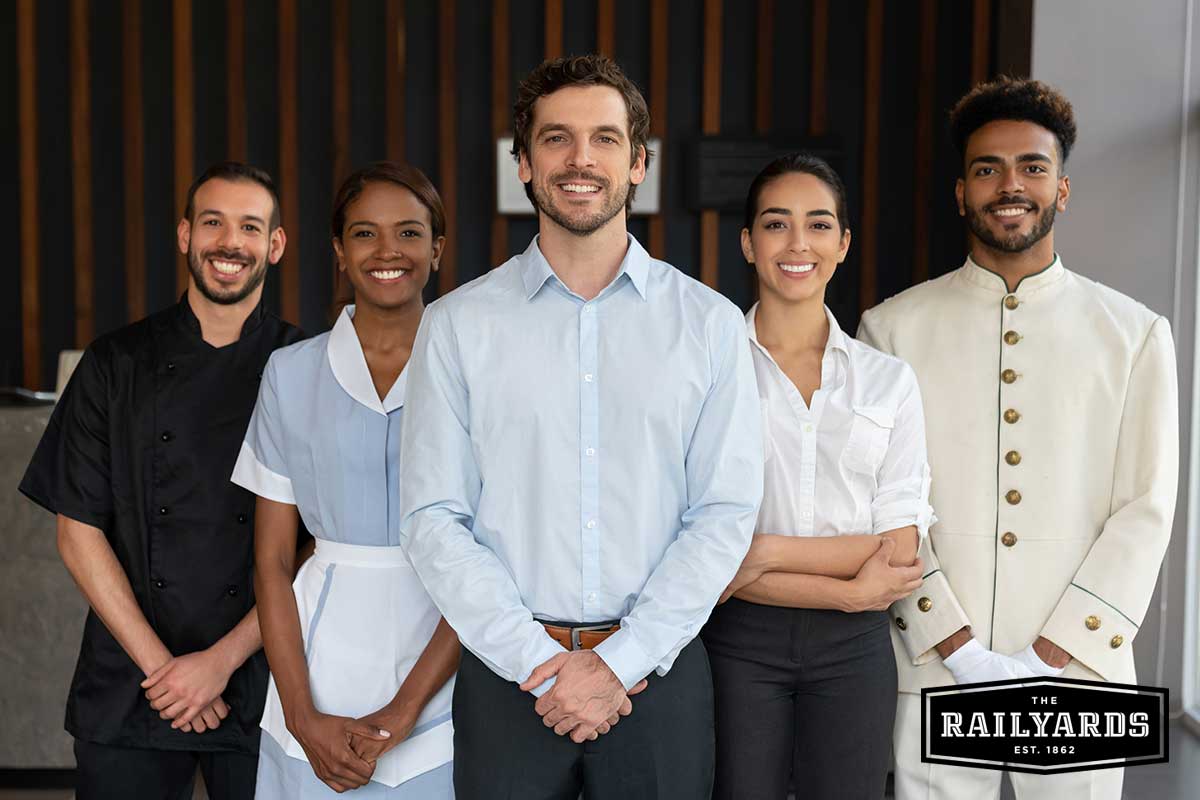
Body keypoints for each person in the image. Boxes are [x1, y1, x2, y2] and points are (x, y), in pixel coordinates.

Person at [398, 54, 763, 799]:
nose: (580, 159)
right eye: (556, 139)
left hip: (658, 677)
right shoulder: (457, 325)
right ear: (524, 163)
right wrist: (538, 661)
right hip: (508, 678)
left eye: (604, 138)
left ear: (638, 162)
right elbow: (432, 516)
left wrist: (619, 663)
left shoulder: (710, 327)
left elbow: (723, 515)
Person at [858, 77, 1178, 800]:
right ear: (961, 192)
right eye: (986, 168)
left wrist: (1052, 653)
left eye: (1033, 167)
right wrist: (956, 646)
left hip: (1084, 672)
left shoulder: (1134, 335)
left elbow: (1146, 509)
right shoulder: (890, 329)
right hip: (936, 667)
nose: (1011, 185)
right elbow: (883, 503)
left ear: (1061, 189)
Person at [18, 162, 304, 799]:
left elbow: (316, 548)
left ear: (275, 245)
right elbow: (78, 532)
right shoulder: (115, 363)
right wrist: (166, 673)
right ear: (184, 235)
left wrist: (220, 663)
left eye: (250, 227)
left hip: (264, 680)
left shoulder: (306, 367)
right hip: (132, 682)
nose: (230, 242)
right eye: (213, 223)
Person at [704, 153, 930, 799]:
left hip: (854, 653)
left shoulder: (888, 380)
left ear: (843, 243)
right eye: (777, 224)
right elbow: (703, 556)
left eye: (819, 224)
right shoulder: (710, 375)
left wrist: (760, 553)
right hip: (736, 644)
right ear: (748, 243)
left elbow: (899, 549)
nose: (798, 243)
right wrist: (846, 589)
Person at [232, 162, 458, 798]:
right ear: (338, 250)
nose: (388, 251)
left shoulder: (475, 370)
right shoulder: (289, 373)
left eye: (409, 233)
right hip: (315, 659)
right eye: (365, 233)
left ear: (437, 248)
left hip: (445, 653)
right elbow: (272, 561)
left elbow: (488, 559)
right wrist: (302, 716)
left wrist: (405, 709)